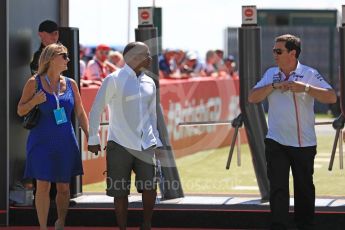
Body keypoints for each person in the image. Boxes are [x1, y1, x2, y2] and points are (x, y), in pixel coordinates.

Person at [248, 34, 337, 230]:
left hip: (304, 143)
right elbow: (252, 97)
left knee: (304, 188)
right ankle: (278, 226)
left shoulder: (309, 73)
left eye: (278, 51)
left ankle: (304, 225)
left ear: (292, 53)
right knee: (278, 188)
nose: (275, 55)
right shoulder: (271, 73)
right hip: (276, 141)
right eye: (274, 51)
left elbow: (331, 97)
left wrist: (305, 88)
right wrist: (272, 86)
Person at [88, 42, 162, 230]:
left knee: (150, 187)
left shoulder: (150, 82)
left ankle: (146, 225)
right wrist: (93, 138)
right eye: (146, 54)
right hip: (119, 144)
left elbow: (152, 114)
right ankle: (122, 228)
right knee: (120, 192)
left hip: (147, 144)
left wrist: (157, 141)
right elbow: (96, 110)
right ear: (132, 57)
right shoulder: (113, 79)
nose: (150, 58)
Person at [17, 43, 89, 230]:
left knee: (64, 187)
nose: (68, 59)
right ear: (51, 59)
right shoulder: (34, 82)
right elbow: (20, 110)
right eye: (63, 56)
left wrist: (91, 135)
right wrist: (34, 101)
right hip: (41, 142)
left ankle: (61, 222)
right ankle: (42, 227)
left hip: (66, 141)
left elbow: (80, 113)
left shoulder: (71, 83)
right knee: (42, 186)